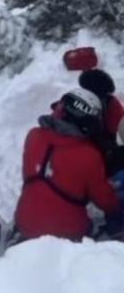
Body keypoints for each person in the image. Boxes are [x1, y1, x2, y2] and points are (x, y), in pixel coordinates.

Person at [13, 88, 124, 242]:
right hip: (67, 236)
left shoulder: (33, 135)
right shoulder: (88, 155)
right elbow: (105, 201)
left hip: (24, 225)